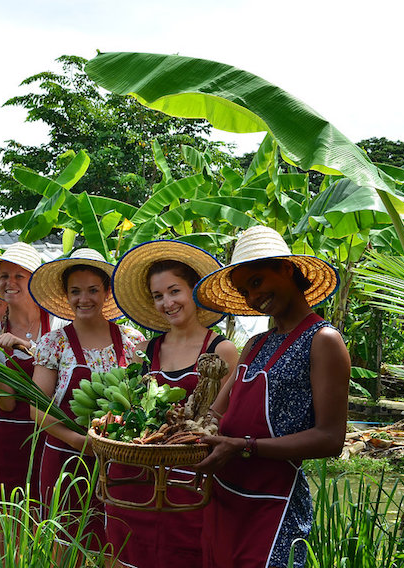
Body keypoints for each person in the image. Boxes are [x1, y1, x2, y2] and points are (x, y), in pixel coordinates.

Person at [193, 225, 350, 568]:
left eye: (256, 281)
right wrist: (183, 430)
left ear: (286, 268)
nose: (252, 297)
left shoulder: (322, 341)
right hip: (224, 498)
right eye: (245, 290)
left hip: (274, 505)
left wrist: (245, 446)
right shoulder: (255, 344)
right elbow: (214, 416)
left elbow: (330, 438)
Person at [106, 240, 239, 568]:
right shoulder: (147, 349)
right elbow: (134, 410)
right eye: (158, 296)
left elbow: (225, 418)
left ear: (194, 291)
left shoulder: (221, 350)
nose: (167, 302)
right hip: (138, 479)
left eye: (174, 291)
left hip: (192, 483)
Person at [28, 248, 145, 550]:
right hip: (65, 460)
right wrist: (78, 441)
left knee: (114, 546)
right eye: (75, 291)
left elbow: (142, 399)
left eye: (93, 290)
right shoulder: (54, 343)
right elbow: (37, 409)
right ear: (66, 295)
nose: (84, 299)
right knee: (65, 548)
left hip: (120, 462)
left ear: (107, 293)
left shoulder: (130, 341)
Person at [0, 242, 65, 505]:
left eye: (19, 275)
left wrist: (29, 347)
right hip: (5, 443)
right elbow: (2, 403)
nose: (10, 282)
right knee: (1, 528)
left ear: (35, 281)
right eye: (4, 276)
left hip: (53, 439)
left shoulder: (59, 327)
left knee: (46, 520)